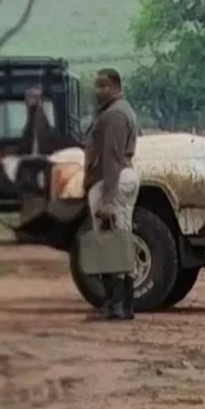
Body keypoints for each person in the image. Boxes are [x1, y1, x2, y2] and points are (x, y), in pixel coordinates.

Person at [82, 68, 140, 322]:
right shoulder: (119, 110)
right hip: (120, 177)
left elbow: (112, 158)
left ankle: (115, 305)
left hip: (111, 180)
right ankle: (123, 304)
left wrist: (106, 196)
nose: (99, 91)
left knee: (110, 241)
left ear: (116, 85)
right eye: (97, 86)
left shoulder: (115, 114)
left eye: (104, 86)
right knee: (120, 237)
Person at [22, 85, 55, 156]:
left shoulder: (41, 115)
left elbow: (38, 135)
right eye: (28, 97)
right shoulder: (31, 115)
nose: (27, 100)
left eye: (32, 96)